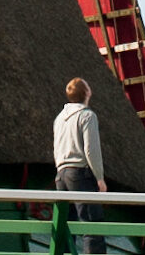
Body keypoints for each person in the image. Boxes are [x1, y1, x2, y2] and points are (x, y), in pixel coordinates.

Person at [52, 79, 107, 255]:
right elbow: (91, 150)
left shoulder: (59, 119)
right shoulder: (87, 116)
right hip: (79, 173)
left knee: (66, 224)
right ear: (86, 92)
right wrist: (99, 178)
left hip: (61, 174)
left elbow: (56, 148)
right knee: (91, 223)